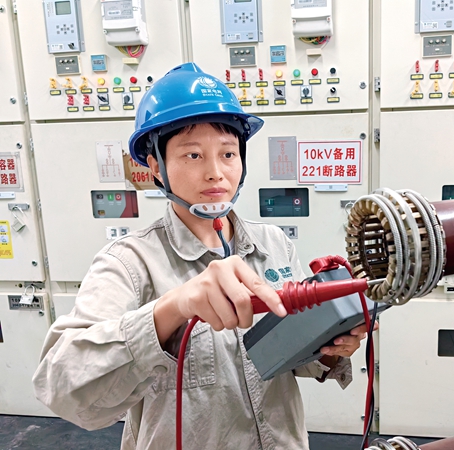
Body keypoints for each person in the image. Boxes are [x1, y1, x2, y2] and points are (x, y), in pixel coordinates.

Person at [33, 63, 372, 450]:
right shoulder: (128, 262)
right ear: (156, 166)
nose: (216, 173)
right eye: (193, 156)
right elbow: (61, 385)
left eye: (228, 154)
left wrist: (331, 348)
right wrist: (171, 308)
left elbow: (290, 359)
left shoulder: (274, 244)